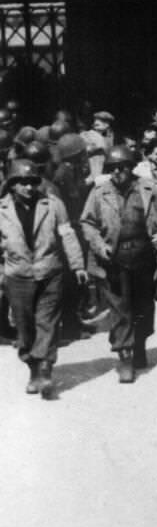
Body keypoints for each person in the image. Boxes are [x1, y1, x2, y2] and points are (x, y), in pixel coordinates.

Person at [80, 146, 157, 383]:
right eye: (112, 169)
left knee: (143, 305)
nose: (117, 173)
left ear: (131, 167)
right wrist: (97, 244)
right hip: (114, 260)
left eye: (122, 167)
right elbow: (87, 222)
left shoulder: (150, 188)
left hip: (145, 257)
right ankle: (124, 356)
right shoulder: (99, 193)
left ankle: (140, 344)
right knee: (120, 308)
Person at [0, 158, 86, 397]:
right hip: (18, 276)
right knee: (24, 328)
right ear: (12, 184)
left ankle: (45, 371)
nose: (29, 188)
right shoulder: (2, 210)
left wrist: (77, 264)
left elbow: (67, 234)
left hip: (49, 272)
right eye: (22, 183)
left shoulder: (52, 204)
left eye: (32, 183)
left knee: (47, 322)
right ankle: (33, 369)